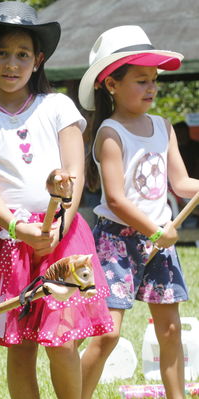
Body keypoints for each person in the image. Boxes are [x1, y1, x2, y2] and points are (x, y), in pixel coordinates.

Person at [0, 2, 113, 398]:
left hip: (64, 236)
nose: (11, 63)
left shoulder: (57, 107)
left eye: (22, 54)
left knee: (63, 340)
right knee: (19, 346)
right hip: (7, 241)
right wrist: (19, 228)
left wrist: (57, 228)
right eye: (1, 52)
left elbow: (74, 172)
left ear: (38, 61)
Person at [78, 25, 199, 399]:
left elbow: (180, 184)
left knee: (170, 330)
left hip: (160, 239)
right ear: (111, 84)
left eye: (154, 80)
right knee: (108, 334)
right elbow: (115, 199)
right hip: (117, 242)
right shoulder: (110, 133)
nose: (151, 88)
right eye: (141, 80)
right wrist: (153, 229)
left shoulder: (163, 127)